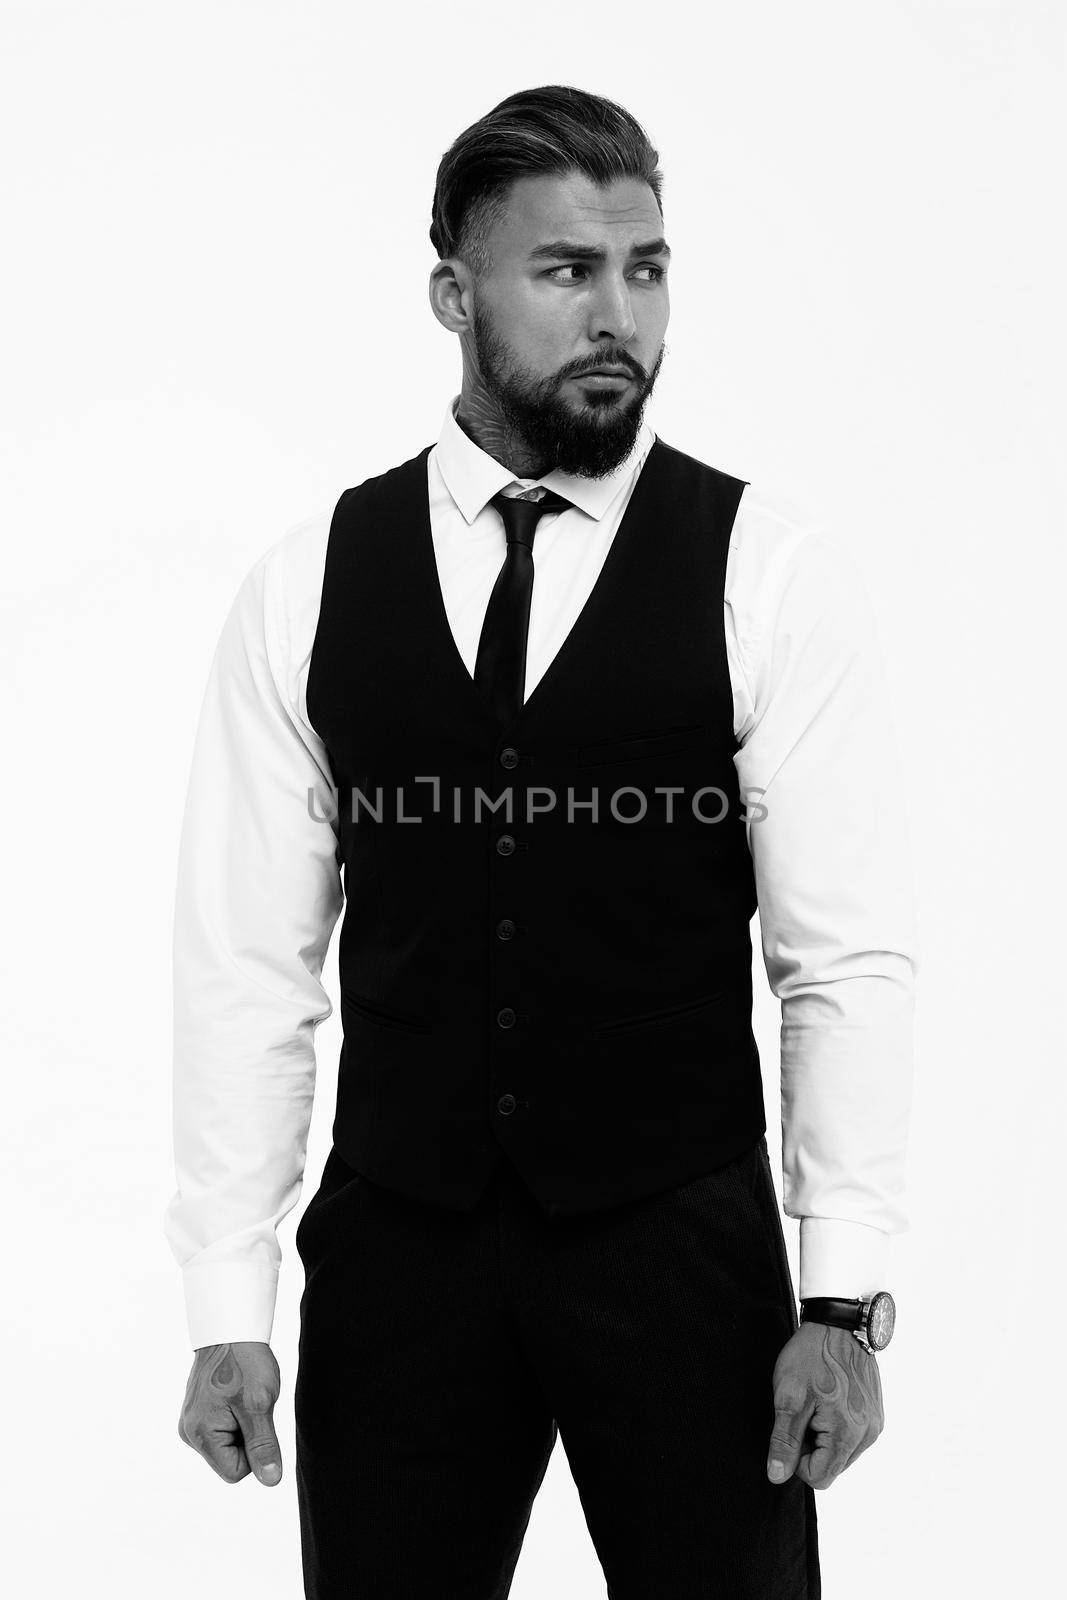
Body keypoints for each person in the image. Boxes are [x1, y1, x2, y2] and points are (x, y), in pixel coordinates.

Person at [166, 84, 918, 1600]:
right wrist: (226, 1296)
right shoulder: (312, 577)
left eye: (646, 268)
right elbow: (248, 962)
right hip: (399, 1245)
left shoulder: (764, 573)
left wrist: (838, 1297)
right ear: (454, 292)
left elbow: (841, 959)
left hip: (678, 1242)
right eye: (567, 271)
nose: (619, 316)